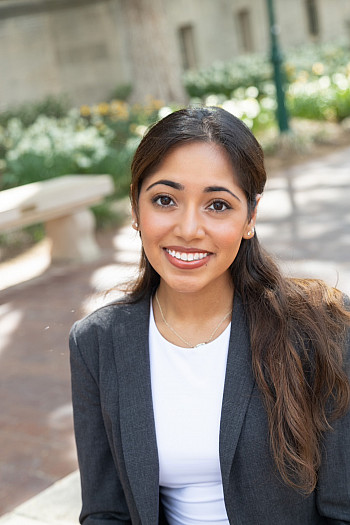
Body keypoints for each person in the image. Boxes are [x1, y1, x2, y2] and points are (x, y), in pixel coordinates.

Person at [69, 106, 350, 525]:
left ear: (250, 217)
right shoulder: (97, 342)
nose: (188, 228)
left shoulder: (321, 327)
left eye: (217, 205)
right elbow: (106, 511)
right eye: (165, 200)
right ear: (135, 207)